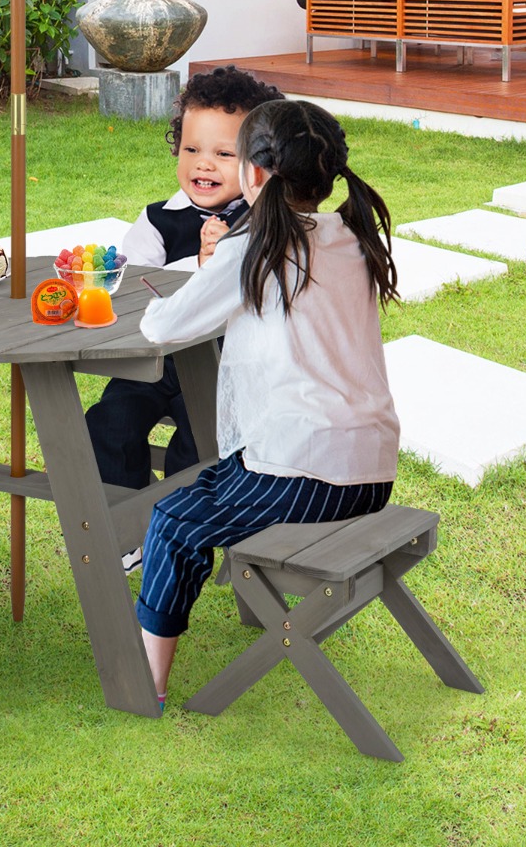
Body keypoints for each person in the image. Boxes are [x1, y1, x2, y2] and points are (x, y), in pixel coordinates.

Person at [134, 99, 401, 707]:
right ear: (327, 176)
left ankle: (146, 683)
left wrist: (173, 291)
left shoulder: (250, 248)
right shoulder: (353, 238)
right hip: (371, 472)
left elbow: (163, 327)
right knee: (212, 482)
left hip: (300, 474)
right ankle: (243, 613)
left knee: (175, 523)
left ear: (252, 173)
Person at [85, 69, 284, 558]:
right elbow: (132, 287)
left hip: (225, 368)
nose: (205, 165)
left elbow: (271, 295)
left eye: (223, 153)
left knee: (198, 448)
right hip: (155, 361)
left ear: (257, 163)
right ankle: (126, 530)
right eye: (192, 149)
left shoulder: (265, 222)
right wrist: (194, 266)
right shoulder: (157, 219)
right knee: (107, 424)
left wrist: (230, 261)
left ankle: (179, 535)